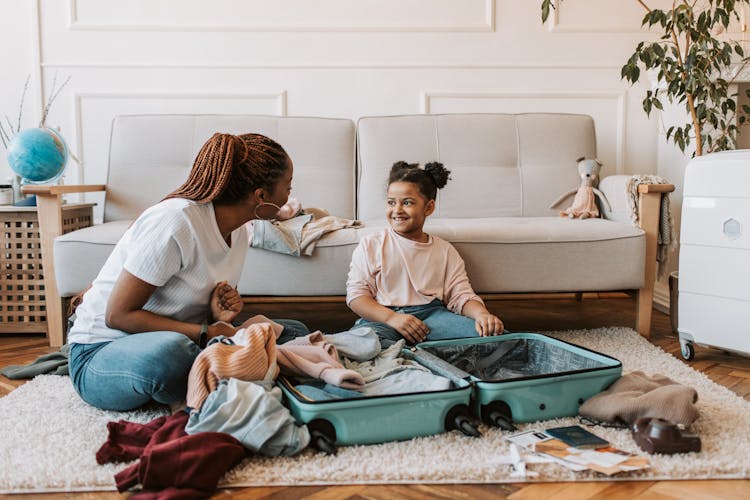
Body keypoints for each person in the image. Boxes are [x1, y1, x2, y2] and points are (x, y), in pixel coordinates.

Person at [68, 132, 308, 411]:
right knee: (172, 356)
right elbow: (118, 315)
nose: (290, 195)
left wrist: (218, 317)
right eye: (288, 187)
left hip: (185, 341)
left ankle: (228, 370)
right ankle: (236, 371)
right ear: (261, 196)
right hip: (101, 353)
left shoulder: (240, 233)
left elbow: (185, 311)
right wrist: (208, 332)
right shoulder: (176, 221)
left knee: (292, 331)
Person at [346, 161, 505, 345]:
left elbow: (461, 296)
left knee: (495, 339)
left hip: (432, 318)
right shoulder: (371, 245)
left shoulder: (444, 250)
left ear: (428, 207)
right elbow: (357, 297)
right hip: (382, 318)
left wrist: (481, 314)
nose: (397, 210)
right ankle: (418, 356)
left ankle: (417, 355)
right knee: (362, 343)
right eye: (391, 202)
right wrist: (392, 319)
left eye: (407, 203)